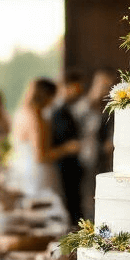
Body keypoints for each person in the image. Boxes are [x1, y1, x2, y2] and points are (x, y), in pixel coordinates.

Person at [10, 78, 79, 208]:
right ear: (46, 96)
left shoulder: (21, 113)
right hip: (39, 174)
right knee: (47, 211)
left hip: (23, 170)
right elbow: (41, 156)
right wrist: (67, 148)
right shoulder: (36, 118)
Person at [74, 69, 116, 219]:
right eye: (103, 85)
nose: (105, 90)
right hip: (82, 161)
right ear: (95, 83)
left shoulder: (109, 109)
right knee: (85, 199)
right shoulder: (81, 107)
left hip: (102, 161)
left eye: (109, 86)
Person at [51, 71, 86, 224]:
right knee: (69, 209)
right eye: (76, 87)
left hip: (73, 166)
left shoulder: (70, 108)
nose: (79, 91)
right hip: (63, 166)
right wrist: (69, 147)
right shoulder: (57, 111)